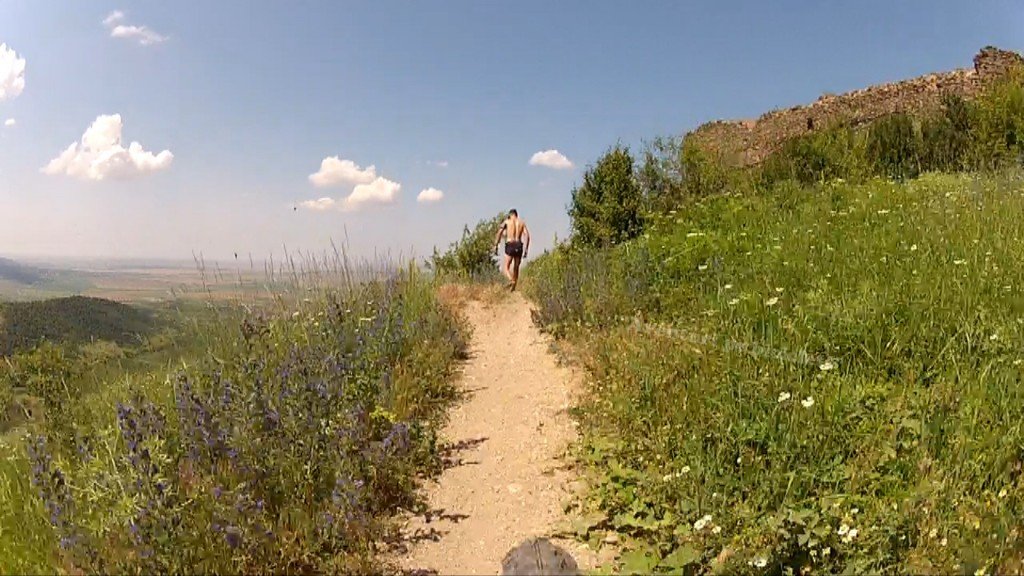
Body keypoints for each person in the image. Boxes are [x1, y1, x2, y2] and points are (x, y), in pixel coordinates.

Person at [494, 209, 530, 291]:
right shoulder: (522, 223)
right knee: (516, 267)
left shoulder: (507, 221)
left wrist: (496, 245)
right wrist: (526, 249)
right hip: (519, 245)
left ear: (510, 215)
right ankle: (514, 285)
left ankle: (511, 280)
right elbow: (527, 236)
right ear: (516, 215)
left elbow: (499, 232)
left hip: (510, 244)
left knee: (506, 267)